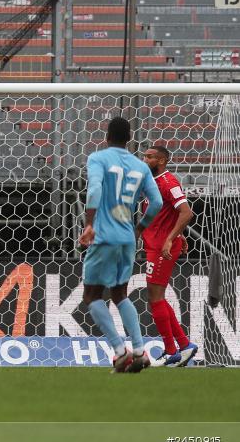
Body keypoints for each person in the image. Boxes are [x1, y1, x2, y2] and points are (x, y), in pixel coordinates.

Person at [79, 118, 162, 373]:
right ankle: (139, 350)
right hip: (127, 237)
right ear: (129, 139)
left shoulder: (98, 159)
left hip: (104, 235)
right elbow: (156, 202)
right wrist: (138, 229)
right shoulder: (141, 166)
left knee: (91, 295)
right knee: (119, 294)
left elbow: (94, 189)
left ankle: (119, 350)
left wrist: (89, 223)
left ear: (107, 136)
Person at [141, 145, 198, 367]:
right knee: (157, 297)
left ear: (162, 161)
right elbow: (170, 213)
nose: (145, 160)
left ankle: (172, 350)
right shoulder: (154, 182)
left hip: (161, 247)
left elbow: (186, 211)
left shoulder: (167, 182)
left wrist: (170, 238)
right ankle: (183, 346)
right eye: (145, 156)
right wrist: (179, 235)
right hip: (156, 245)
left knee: (155, 298)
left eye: (150, 157)